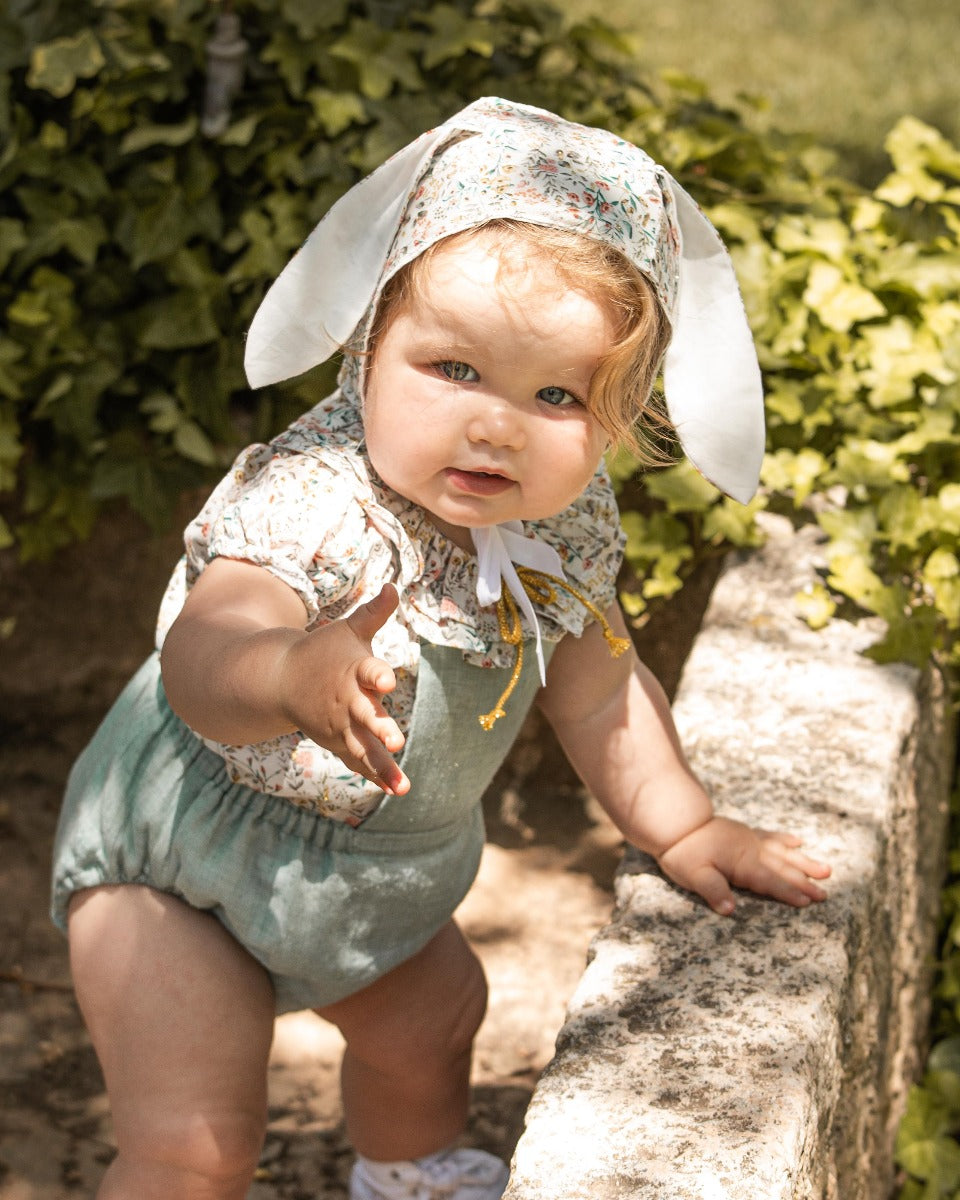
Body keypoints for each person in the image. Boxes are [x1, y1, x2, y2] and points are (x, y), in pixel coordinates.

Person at [50, 97, 830, 1200]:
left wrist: (685, 823)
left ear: (622, 415)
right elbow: (205, 658)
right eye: (453, 370)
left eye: (557, 393)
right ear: (371, 343)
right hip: (182, 869)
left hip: (371, 877)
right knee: (198, 1138)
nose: (497, 424)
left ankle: (408, 1175)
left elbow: (602, 691)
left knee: (434, 1019)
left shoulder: (562, 530)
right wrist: (287, 671)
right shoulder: (314, 498)